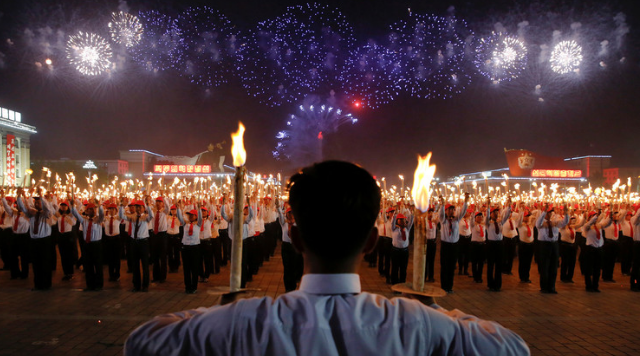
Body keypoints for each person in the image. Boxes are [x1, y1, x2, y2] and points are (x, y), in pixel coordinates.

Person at [125, 160, 529, 356]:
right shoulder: (413, 324)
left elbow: (142, 341)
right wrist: (439, 312)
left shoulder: (248, 321)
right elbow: (513, 348)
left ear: (296, 238)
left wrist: (216, 312)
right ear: (372, 242)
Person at [17, 188, 55, 291]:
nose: (37, 204)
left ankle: (46, 284)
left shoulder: (46, 214)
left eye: (38, 202)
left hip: (44, 241)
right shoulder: (32, 213)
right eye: (36, 202)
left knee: (45, 263)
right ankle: (37, 284)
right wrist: (19, 196)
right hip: (34, 241)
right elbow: (22, 208)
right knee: (36, 263)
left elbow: (47, 208)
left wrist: (41, 197)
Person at [120, 198, 154, 292]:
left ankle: (145, 285)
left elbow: (152, 215)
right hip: (134, 242)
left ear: (143, 208)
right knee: (135, 264)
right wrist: (122, 205)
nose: (138, 209)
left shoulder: (146, 217)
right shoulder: (132, 217)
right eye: (136, 207)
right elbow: (121, 215)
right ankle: (136, 285)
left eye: (140, 207)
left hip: (143, 242)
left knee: (145, 265)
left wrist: (147, 205)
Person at [70, 198, 105, 291]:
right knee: (88, 265)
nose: (92, 210)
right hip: (87, 245)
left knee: (97, 265)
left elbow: (102, 214)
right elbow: (75, 214)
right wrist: (72, 205)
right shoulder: (84, 220)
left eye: (93, 209)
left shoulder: (98, 220)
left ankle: (99, 285)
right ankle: (90, 285)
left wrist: (100, 205)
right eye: (90, 209)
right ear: (87, 211)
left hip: (96, 245)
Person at [437, 194, 469, 293]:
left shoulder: (456, 220)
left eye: (453, 209)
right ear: (446, 211)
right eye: (449, 209)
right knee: (445, 267)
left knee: (451, 267)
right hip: (445, 246)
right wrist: (442, 205)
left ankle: (449, 287)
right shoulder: (443, 221)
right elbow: (440, 214)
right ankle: (443, 286)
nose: (451, 211)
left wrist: (466, 201)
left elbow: (463, 212)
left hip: (454, 246)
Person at [536, 204, 569, 294]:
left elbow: (565, 222)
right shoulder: (542, 222)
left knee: (554, 267)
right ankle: (544, 287)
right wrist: (543, 212)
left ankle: (552, 287)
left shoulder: (555, 222)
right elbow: (538, 223)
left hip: (554, 244)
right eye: (548, 212)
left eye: (550, 212)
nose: (549, 214)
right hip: (544, 245)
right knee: (545, 267)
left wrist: (566, 213)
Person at [485, 198, 511, 292]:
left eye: (497, 212)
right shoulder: (488, 223)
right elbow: (487, 216)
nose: (496, 213)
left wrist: (509, 206)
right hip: (491, 244)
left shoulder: (500, 222)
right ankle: (490, 284)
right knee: (491, 265)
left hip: (499, 244)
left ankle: (498, 284)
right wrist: (488, 206)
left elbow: (507, 215)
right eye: (494, 212)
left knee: (499, 265)